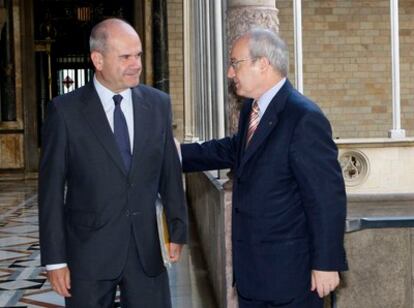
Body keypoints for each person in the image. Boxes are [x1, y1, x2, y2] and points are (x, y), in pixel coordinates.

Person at [180, 29, 347, 307]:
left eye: (235, 63)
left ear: (263, 64)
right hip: (252, 276)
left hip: (290, 279)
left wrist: (326, 263)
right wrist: (174, 154)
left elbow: (326, 198)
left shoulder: (304, 118)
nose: (230, 73)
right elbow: (234, 149)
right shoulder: (253, 110)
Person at [38, 18, 187, 308]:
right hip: (88, 253)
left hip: (147, 250)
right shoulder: (64, 112)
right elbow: (51, 191)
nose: (136, 64)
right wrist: (55, 259)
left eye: (139, 55)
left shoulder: (159, 105)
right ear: (98, 59)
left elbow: (169, 172)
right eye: (125, 57)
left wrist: (177, 229)